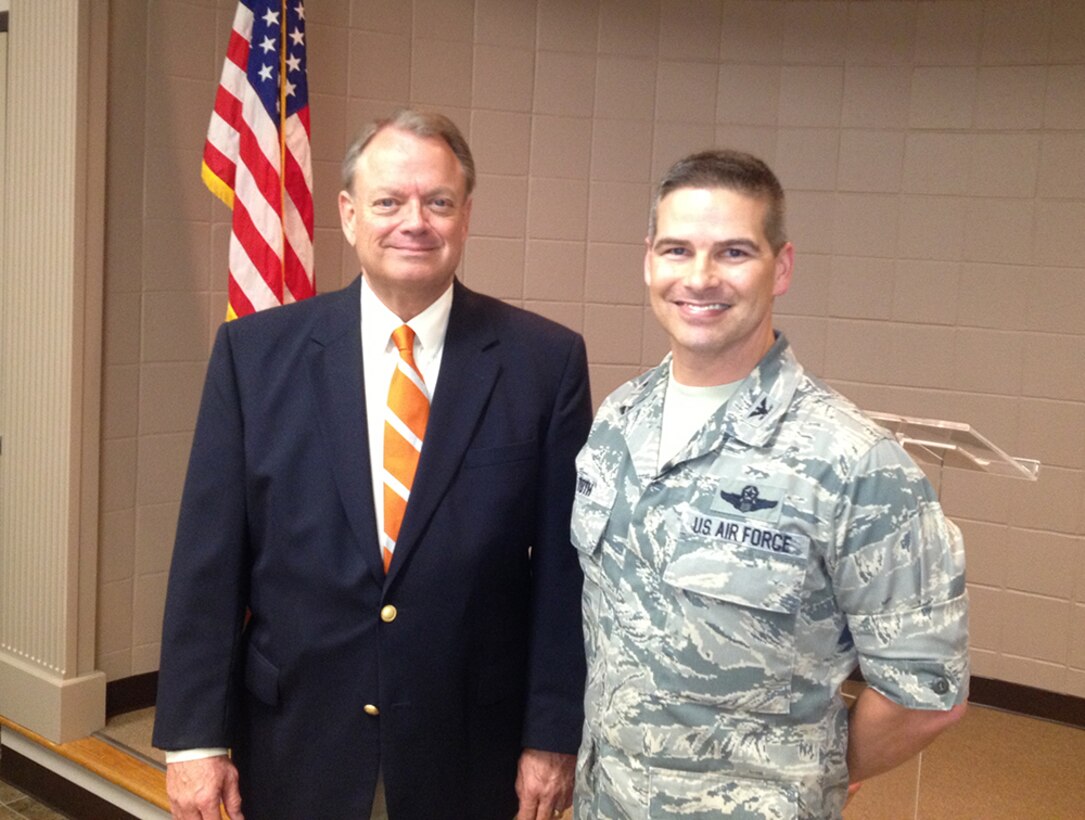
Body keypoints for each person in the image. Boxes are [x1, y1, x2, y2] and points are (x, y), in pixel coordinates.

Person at [152, 109, 591, 820]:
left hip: (469, 749)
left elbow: (561, 578)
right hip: (296, 740)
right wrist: (194, 741)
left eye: (437, 202)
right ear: (350, 216)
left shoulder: (544, 363)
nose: (413, 221)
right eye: (388, 201)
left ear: (465, 216)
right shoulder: (253, 355)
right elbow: (209, 560)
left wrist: (552, 737)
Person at [571, 149, 969, 818]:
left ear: (779, 267)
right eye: (676, 250)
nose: (698, 278)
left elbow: (923, 695)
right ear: (648, 260)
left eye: (732, 252)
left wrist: (804, 774)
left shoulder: (854, 465)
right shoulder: (618, 421)